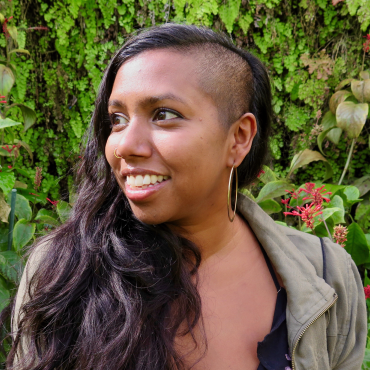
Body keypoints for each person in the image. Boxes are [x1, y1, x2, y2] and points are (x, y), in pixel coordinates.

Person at [9, 24, 366, 370]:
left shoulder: (327, 275)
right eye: (117, 119)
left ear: (239, 138)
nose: (125, 146)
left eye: (163, 115)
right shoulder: (61, 271)